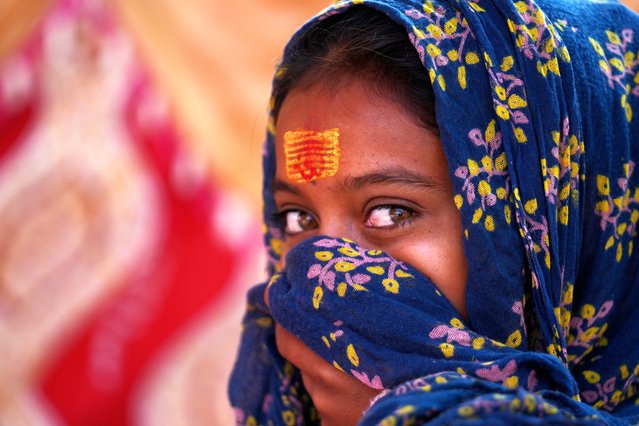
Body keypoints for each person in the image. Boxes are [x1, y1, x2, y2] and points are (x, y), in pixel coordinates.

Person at [229, 0, 639, 424]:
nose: (324, 274)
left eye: (389, 213)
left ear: (550, 226)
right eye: (299, 219)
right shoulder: (282, 403)